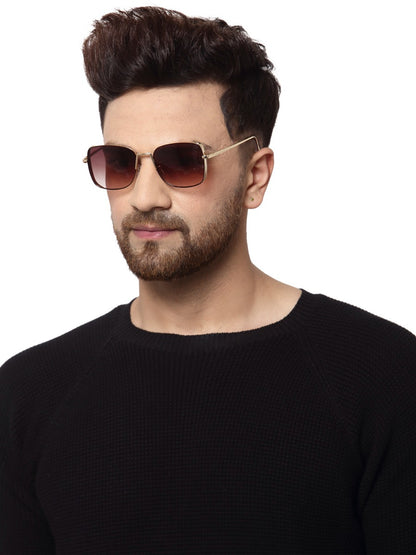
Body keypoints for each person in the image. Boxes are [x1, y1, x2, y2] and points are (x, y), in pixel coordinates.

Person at [0, 6, 415, 553]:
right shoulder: (27, 395)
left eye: (181, 162)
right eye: (119, 162)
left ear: (255, 177)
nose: (144, 197)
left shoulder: (384, 376)